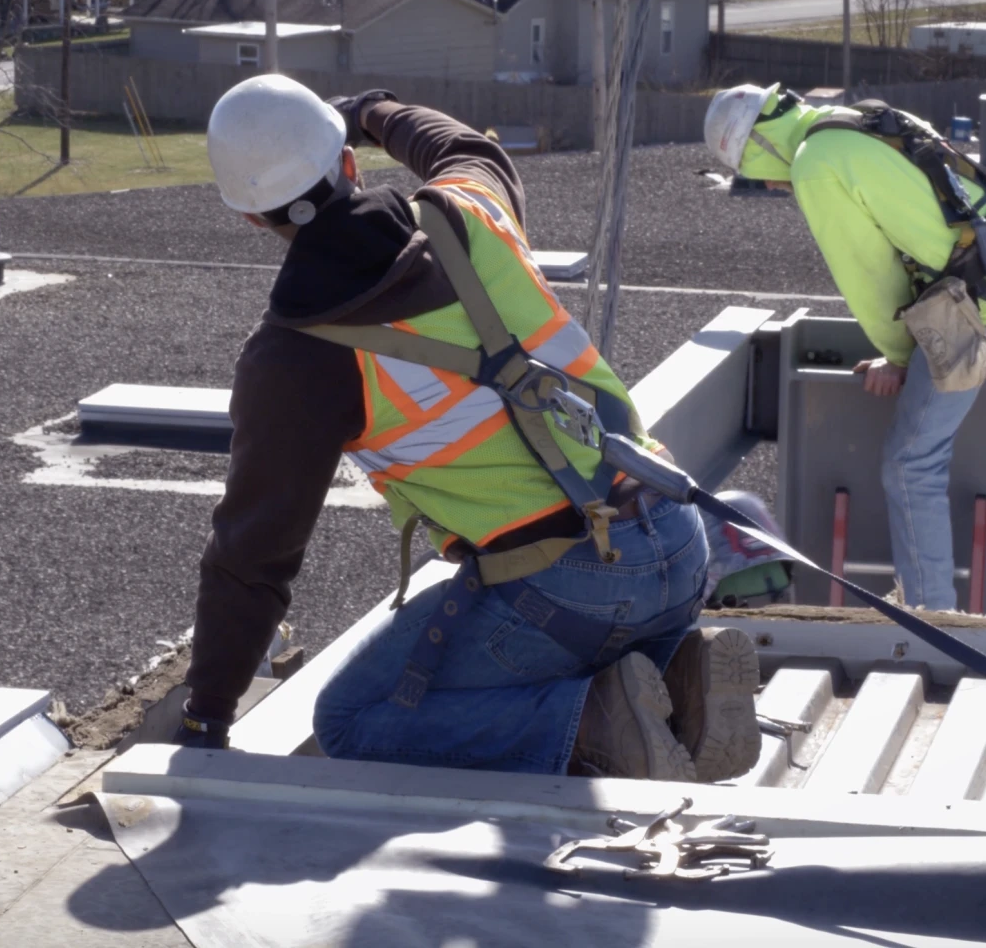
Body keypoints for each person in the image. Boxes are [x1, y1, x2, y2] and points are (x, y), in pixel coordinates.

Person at [171, 73, 785, 781]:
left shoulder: (295, 355)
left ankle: (588, 723)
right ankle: (674, 681)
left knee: (354, 717)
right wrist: (374, 109)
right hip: (679, 543)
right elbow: (457, 145)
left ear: (251, 218)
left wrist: (207, 717)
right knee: (566, 622)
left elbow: (254, 554)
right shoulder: (470, 209)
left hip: (569, 593)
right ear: (347, 161)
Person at [701, 83, 986, 612]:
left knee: (912, 461)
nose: (767, 187)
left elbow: (870, 275)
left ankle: (931, 615)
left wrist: (902, 356)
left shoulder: (813, 164)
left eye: (753, 171)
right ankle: (927, 601)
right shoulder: (854, 118)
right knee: (915, 456)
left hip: (981, 304)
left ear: (757, 147)